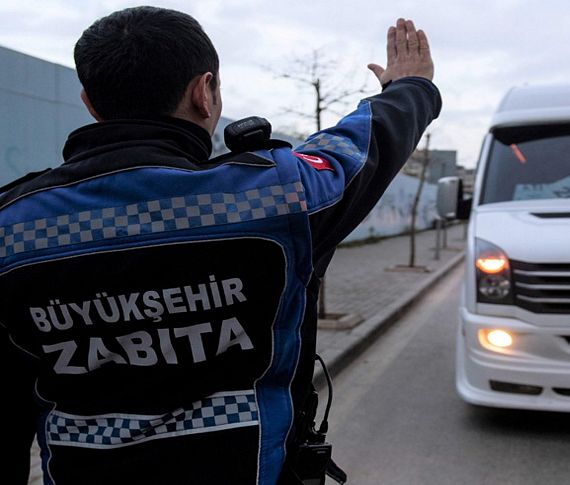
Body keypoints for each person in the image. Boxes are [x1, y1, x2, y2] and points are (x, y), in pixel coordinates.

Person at [0, 6, 439, 485]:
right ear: (203, 92)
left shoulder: (12, 226)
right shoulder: (273, 197)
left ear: (90, 101)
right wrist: (410, 88)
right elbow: (356, 150)